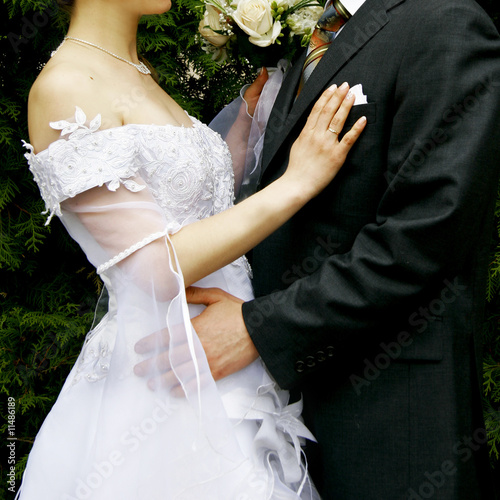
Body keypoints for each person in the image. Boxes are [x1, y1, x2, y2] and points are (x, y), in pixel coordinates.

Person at [18, 0, 366, 498]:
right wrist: (297, 182)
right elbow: (152, 267)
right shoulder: (64, 86)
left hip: (228, 346)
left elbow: (185, 199)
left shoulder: (135, 69)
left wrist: (251, 115)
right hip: (166, 380)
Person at [163, 0, 500, 498]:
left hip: (390, 415)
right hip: (286, 412)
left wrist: (258, 328)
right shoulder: (320, 28)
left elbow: (421, 240)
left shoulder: (448, 21)